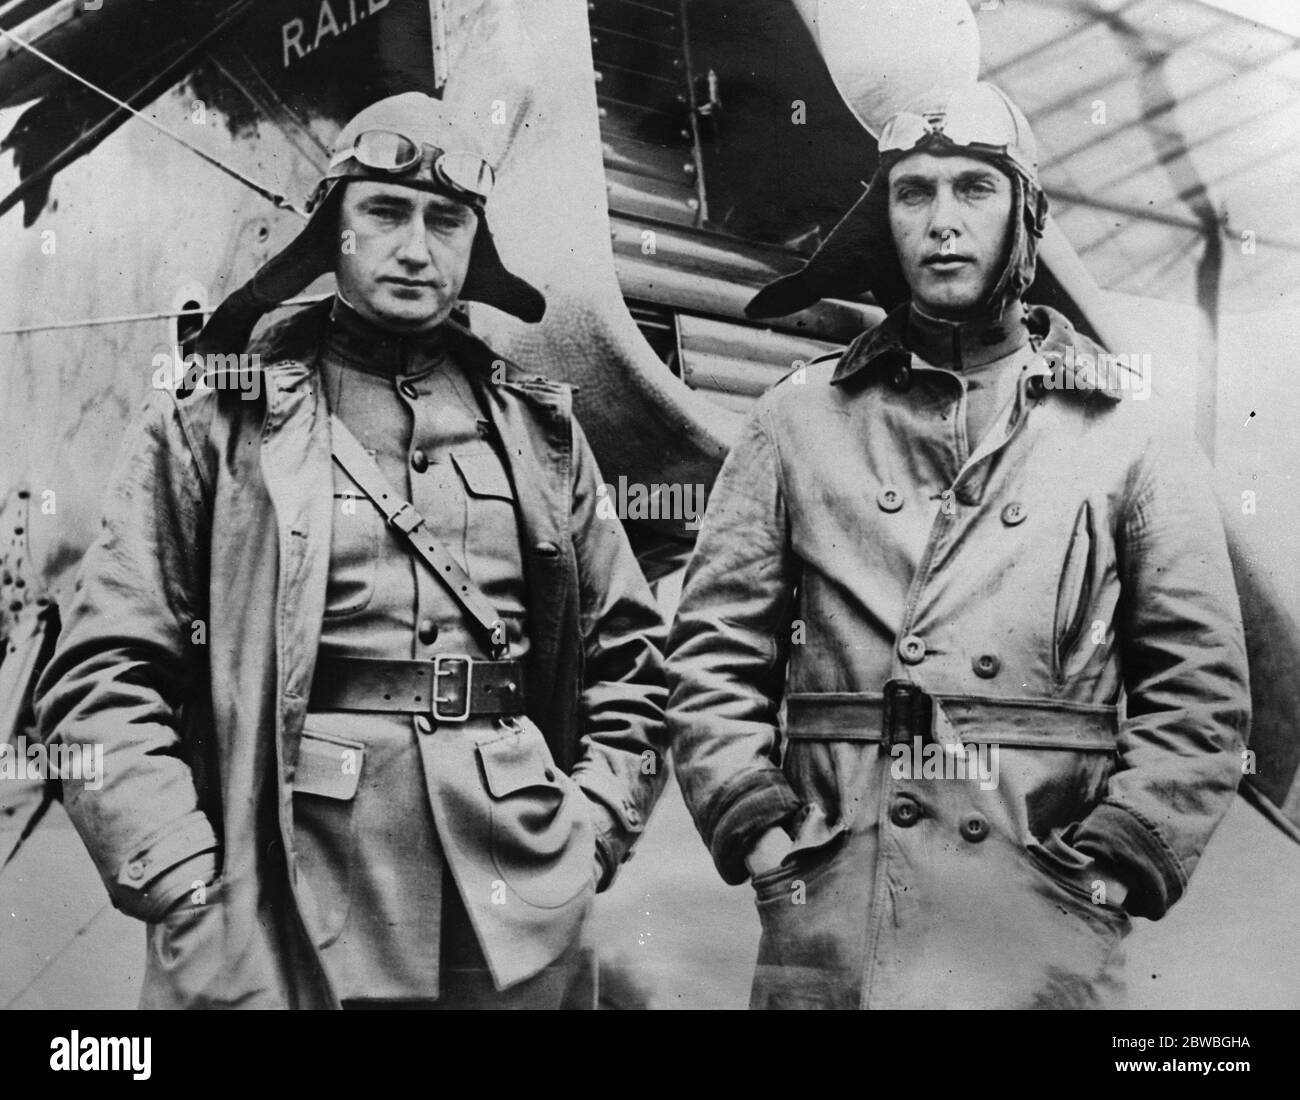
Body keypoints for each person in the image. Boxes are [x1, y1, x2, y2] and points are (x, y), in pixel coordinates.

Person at [34, 93, 668, 1009]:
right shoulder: (216, 415)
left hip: (514, 905)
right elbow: (101, 674)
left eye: (446, 220)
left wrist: (592, 829)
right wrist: (179, 880)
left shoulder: (542, 430)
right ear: (332, 228)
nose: (416, 246)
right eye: (384, 211)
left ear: (473, 245)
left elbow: (635, 665)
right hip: (283, 894)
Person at [665, 82, 1250, 1009]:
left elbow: (1201, 695)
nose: (942, 221)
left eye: (974, 190)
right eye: (915, 193)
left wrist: (1110, 872)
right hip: (836, 908)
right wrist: (763, 835)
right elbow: (711, 658)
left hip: (1037, 912)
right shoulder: (794, 420)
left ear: (1024, 216)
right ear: (883, 223)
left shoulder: (1129, 433)